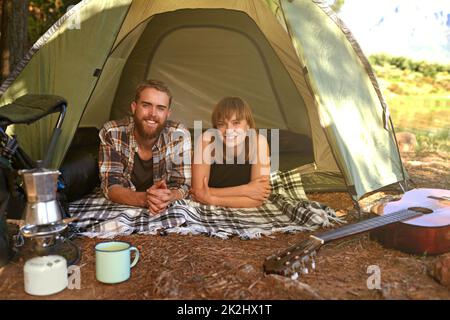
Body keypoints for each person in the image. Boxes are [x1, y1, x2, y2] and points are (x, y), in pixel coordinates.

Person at [98, 79, 191, 214]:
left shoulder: (179, 135)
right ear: (134, 107)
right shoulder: (112, 132)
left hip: (161, 205)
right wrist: (145, 199)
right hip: (130, 205)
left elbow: (184, 185)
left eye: (160, 108)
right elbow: (110, 185)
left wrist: (168, 196)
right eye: (146, 105)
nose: (153, 113)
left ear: (168, 114)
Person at [191, 96, 271, 208]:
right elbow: (198, 192)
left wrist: (212, 199)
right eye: (221, 124)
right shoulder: (207, 140)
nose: (228, 130)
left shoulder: (259, 142)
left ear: (248, 125)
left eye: (236, 123)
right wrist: (245, 190)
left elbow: (258, 198)